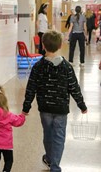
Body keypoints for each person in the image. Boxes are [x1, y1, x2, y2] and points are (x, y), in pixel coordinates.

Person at [22, 30, 87, 172]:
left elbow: (31, 88)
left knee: (48, 133)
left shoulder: (38, 67)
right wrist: (81, 105)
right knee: (58, 136)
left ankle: (50, 158)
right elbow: (74, 88)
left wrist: (26, 107)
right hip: (61, 109)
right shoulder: (67, 67)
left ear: (43, 46)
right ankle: (55, 166)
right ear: (60, 46)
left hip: (45, 108)